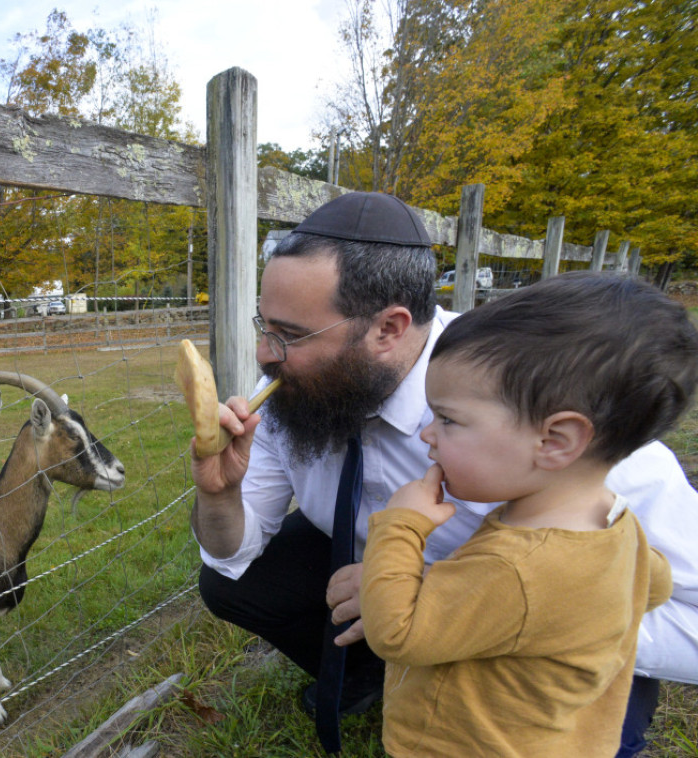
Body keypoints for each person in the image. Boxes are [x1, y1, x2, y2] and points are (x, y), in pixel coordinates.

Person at [189, 191, 698, 756]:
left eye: (290, 334)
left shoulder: (541, 413)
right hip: (399, 574)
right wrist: (220, 494)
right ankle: (369, 676)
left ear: (389, 328)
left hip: (550, 644)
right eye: (265, 325)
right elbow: (231, 555)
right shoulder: (302, 393)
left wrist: (451, 602)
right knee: (233, 583)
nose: (265, 353)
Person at [356, 272, 696, 756]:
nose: (427, 435)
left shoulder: (516, 568)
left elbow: (398, 633)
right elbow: (653, 584)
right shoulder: (616, 525)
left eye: (448, 419)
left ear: (555, 441)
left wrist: (400, 526)